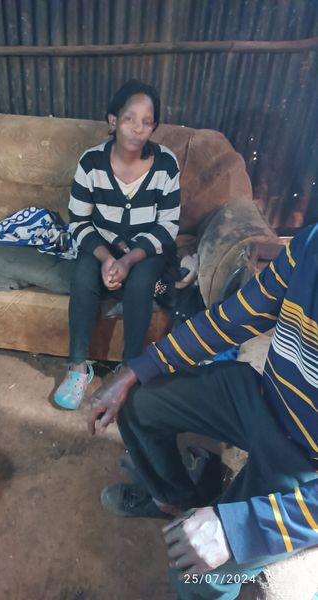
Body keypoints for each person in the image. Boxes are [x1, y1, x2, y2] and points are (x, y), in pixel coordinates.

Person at [87, 224, 318, 599]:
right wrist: (138, 367)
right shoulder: (311, 243)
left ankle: (214, 528)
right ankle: (178, 501)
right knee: (138, 403)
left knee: (195, 577)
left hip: (302, 463)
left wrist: (241, 528)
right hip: (263, 399)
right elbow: (237, 316)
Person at [54, 80, 181, 410]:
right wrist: (108, 258)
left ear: (154, 125)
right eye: (129, 119)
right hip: (101, 245)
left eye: (147, 121)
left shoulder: (166, 164)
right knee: (83, 279)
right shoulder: (91, 163)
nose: (139, 129)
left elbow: (168, 226)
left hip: (146, 249)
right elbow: (79, 222)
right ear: (113, 121)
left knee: (141, 284)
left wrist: (127, 262)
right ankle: (78, 367)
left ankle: (129, 369)